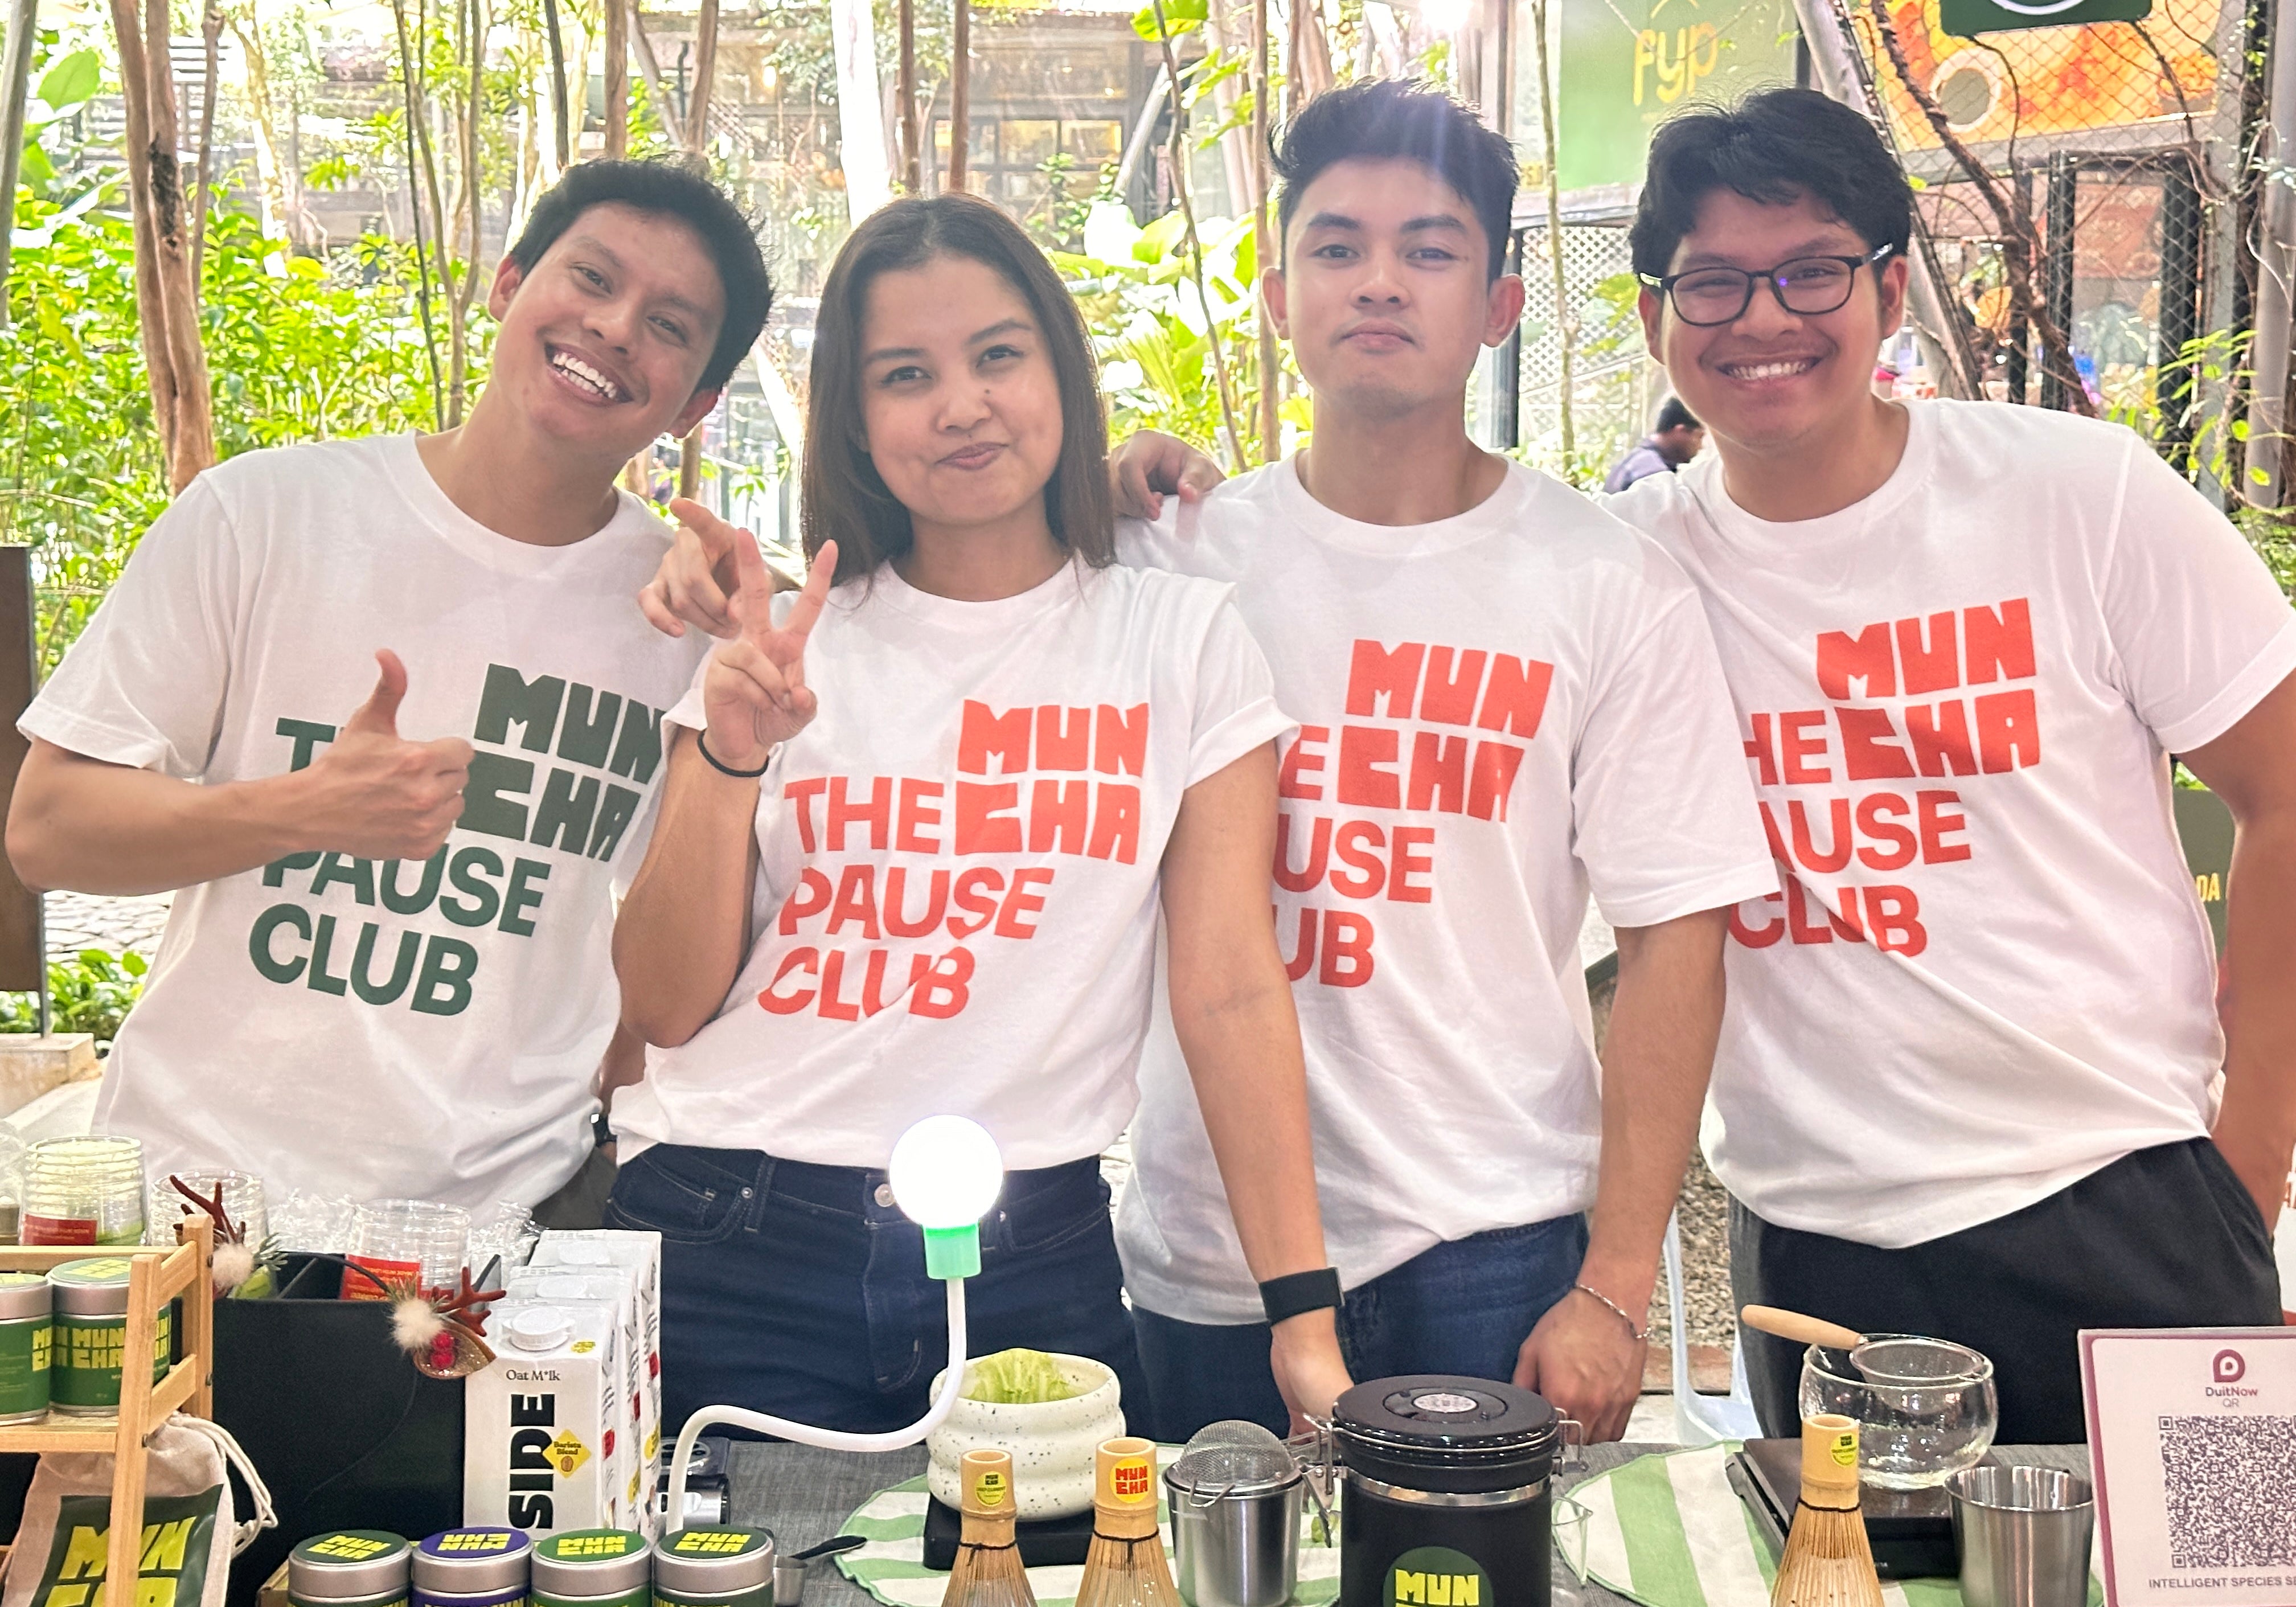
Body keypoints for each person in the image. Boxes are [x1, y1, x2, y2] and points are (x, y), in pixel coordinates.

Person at [1601, 87, 2296, 1442]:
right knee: (1834, 1560)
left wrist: (2252, 1159)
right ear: (1654, 318)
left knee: (2188, 1559)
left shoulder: (2079, 496)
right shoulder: (1622, 573)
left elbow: (2283, 792)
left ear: (1889, 287)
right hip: (1815, 1244)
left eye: (1812, 271)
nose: (1763, 319)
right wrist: (1182, 504)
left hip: (2126, 1196)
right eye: (1714, 283)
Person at [606, 193, 1354, 1436]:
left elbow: (1229, 988)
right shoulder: (779, 644)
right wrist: (728, 753)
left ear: (1059, 370)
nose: (962, 405)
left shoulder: (1179, 639)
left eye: (998, 355)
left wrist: (1303, 1320)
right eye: (906, 374)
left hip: (1033, 1256)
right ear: (854, 417)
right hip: (730, 1237)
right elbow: (660, 1004)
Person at [5, 159, 768, 1216]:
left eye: (669, 325)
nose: (614, 327)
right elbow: (47, 829)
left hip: (499, 1228)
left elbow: (677, 977)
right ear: (508, 284)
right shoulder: (263, 515)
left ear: (697, 405)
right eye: (592, 278)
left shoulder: (687, 624)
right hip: (197, 1203)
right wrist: (300, 809)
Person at [1602, 397, 1703, 492]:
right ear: (1680, 431)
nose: (1701, 446)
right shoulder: (1651, 469)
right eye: (1699, 437)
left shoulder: (1637, 459)